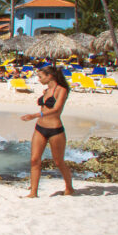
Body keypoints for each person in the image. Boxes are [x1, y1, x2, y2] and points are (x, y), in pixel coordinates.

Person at [20, 65, 74, 198]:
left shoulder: (61, 90)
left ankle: (69, 188)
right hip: (40, 128)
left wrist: (33, 116)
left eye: (40, 76)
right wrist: (36, 117)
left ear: (50, 76)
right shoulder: (46, 91)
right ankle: (33, 192)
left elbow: (56, 109)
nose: (38, 79)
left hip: (55, 129)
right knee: (34, 160)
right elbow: (44, 108)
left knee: (58, 162)